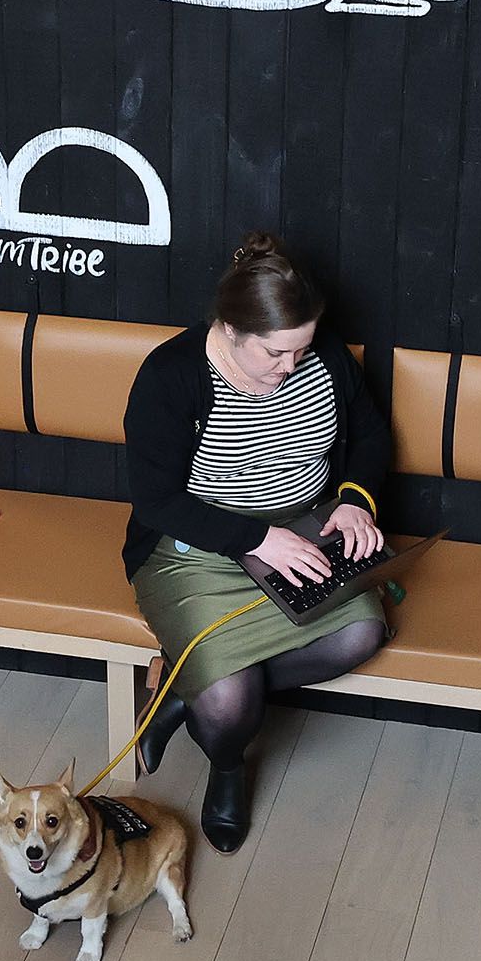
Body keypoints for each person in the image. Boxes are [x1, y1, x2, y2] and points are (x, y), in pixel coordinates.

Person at [123, 232, 392, 850]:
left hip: (303, 530)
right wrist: (253, 537)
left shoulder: (317, 352)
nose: (292, 365)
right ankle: (227, 765)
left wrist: (354, 500)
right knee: (227, 702)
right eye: (276, 352)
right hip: (197, 548)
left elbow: (374, 436)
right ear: (230, 329)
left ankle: (180, 696)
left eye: (301, 349)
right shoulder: (170, 375)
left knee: (362, 633)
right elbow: (156, 501)